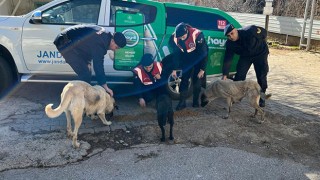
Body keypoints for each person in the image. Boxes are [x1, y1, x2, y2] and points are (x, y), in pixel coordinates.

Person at [53, 24, 127, 97]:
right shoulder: (101, 42)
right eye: (116, 47)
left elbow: (88, 46)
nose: (115, 50)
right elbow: (98, 66)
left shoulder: (106, 37)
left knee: (87, 71)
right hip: (64, 42)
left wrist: (87, 61)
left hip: (73, 43)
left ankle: (82, 97)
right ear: (113, 41)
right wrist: (104, 86)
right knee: (84, 74)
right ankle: (77, 101)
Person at [222, 24, 269, 107]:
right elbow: (228, 58)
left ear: (236, 30)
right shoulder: (230, 43)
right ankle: (237, 96)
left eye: (232, 33)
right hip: (246, 56)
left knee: (261, 76)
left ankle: (262, 97)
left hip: (260, 54)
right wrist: (225, 74)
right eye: (228, 36)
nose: (231, 37)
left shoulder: (249, 31)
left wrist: (261, 41)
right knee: (239, 75)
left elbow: (264, 32)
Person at [169, 22, 208, 110]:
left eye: (183, 37)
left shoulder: (197, 35)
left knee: (197, 80)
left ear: (187, 32)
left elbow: (204, 53)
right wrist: (174, 69)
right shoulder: (175, 38)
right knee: (184, 80)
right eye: (180, 37)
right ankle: (182, 102)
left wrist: (202, 69)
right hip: (187, 58)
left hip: (198, 57)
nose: (181, 39)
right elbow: (176, 55)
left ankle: (195, 101)